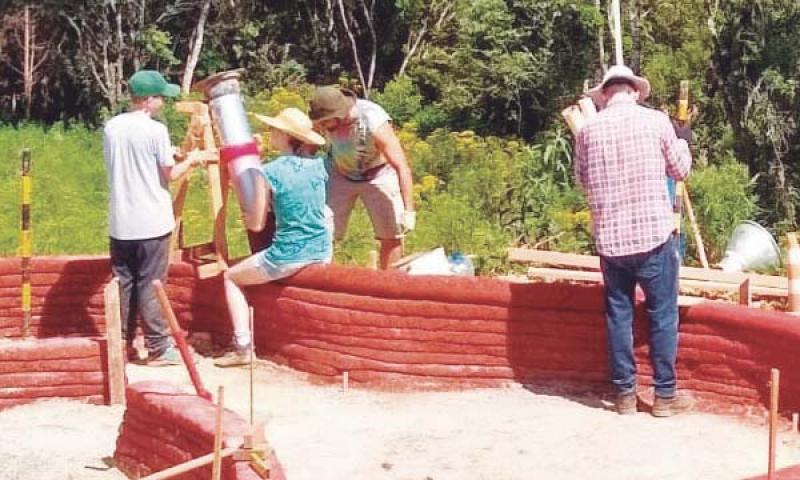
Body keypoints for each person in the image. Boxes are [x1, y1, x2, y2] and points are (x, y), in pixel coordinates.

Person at [574, 65, 694, 417]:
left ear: (605, 94)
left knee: (618, 316)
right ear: (635, 91)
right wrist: (683, 138)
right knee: (662, 316)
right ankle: (664, 397)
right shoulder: (656, 121)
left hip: (611, 241)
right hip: (653, 237)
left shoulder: (587, 130)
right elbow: (680, 171)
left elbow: (583, 180)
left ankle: (625, 395)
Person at [215, 107, 332, 367]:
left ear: (283, 135)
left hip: (289, 253)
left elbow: (257, 224)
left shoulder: (268, 172)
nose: (270, 133)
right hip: (321, 249)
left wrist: (246, 212)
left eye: (274, 130)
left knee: (230, 277)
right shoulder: (319, 167)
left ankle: (243, 346)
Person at [104, 69, 199, 365]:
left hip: (121, 221)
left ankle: (122, 344)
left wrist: (166, 153)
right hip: (151, 221)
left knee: (125, 282)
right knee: (152, 283)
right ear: (147, 100)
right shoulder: (155, 130)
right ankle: (158, 347)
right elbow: (169, 175)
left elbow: (134, 157)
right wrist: (193, 160)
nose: (163, 103)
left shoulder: (112, 127)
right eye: (159, 98)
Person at [309, 86, 415, 269]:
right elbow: (308, 145)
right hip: (339, 173)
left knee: (391, 233)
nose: (321, 126)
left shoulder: (373, 121)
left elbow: (401, 166)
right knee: (323, 231)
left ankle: (389, 285)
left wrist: (409, 210)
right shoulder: (323, 117)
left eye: (324, 122)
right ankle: (321, 283)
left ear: (339, 115)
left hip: (378, 174)